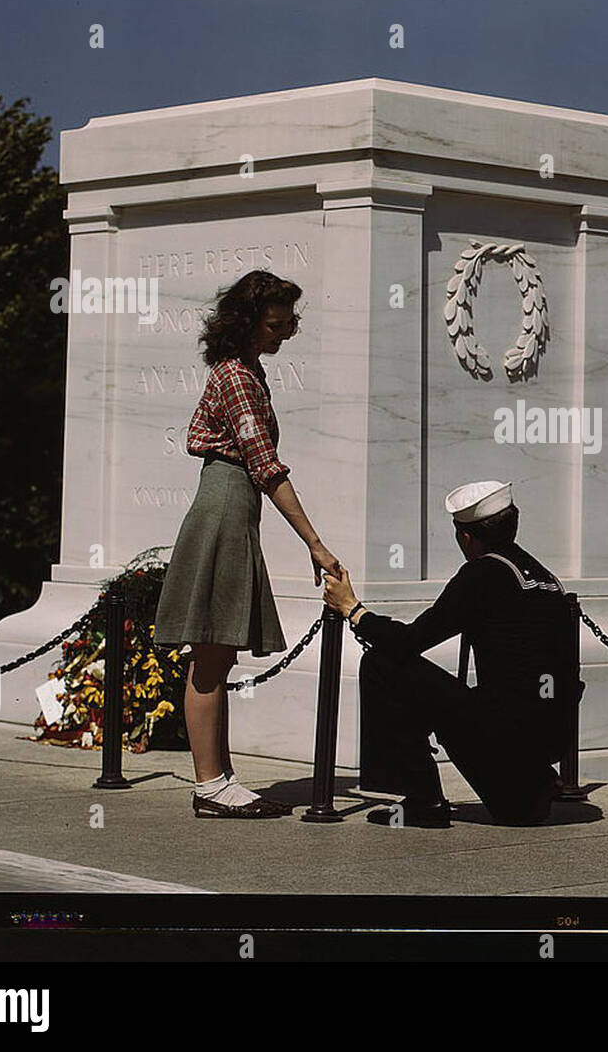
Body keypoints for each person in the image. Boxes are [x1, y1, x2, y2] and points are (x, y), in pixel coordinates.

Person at [154, 270, 342, 819]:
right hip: (227, 505)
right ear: (247, 322)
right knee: (212, 650)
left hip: (230, 505)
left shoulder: (245, 370)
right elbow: (265, 467)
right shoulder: (238, 375)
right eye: (276, 324)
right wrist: (316, 544)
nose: (285, 334)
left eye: (289, 324)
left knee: (218, 649)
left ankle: (219, 779)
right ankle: (212, 784)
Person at [321, 481, 582, 828]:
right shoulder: (546, 580)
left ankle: (422, 799)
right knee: (514, 802)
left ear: (466, 538)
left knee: (382, 664)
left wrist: (353, 609)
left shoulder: (483, 574)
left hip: (505, 740)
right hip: (543, 743)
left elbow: (409, 642)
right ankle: (533, 784)